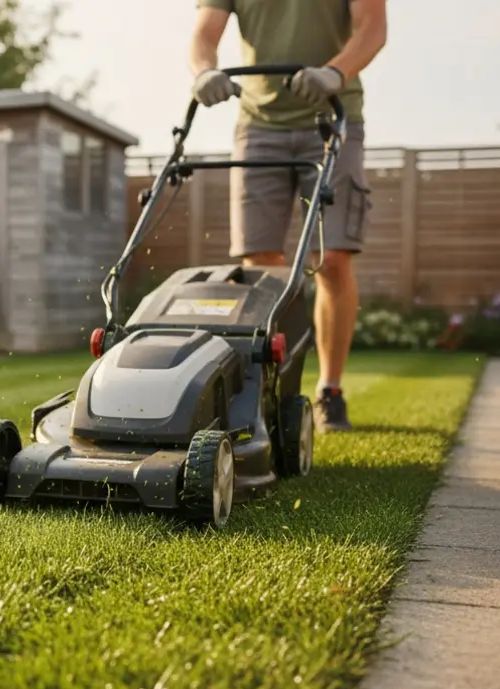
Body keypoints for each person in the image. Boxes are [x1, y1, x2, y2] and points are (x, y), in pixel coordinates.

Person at [189, 0, 387, 432]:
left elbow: (372, 28)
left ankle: (330, 390)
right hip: (258, 124)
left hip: (332, 118)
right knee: (260, 268)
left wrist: (334, 71)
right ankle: (266, 391)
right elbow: (205, 34)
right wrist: (204, 71)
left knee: (333, 259)